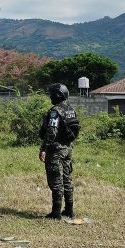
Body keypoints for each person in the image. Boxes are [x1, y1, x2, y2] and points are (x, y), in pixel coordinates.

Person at [39, 83, 81, 220]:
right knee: (67, 179)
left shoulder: (55, 111)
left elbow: (51, 131)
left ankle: (56, 213)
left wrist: (43, 148)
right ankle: (69, 210)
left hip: (56, 149)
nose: (50, 96)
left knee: (56, 181)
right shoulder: (70, 109)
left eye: (52, 94)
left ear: (58, 95)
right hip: (68, 149)